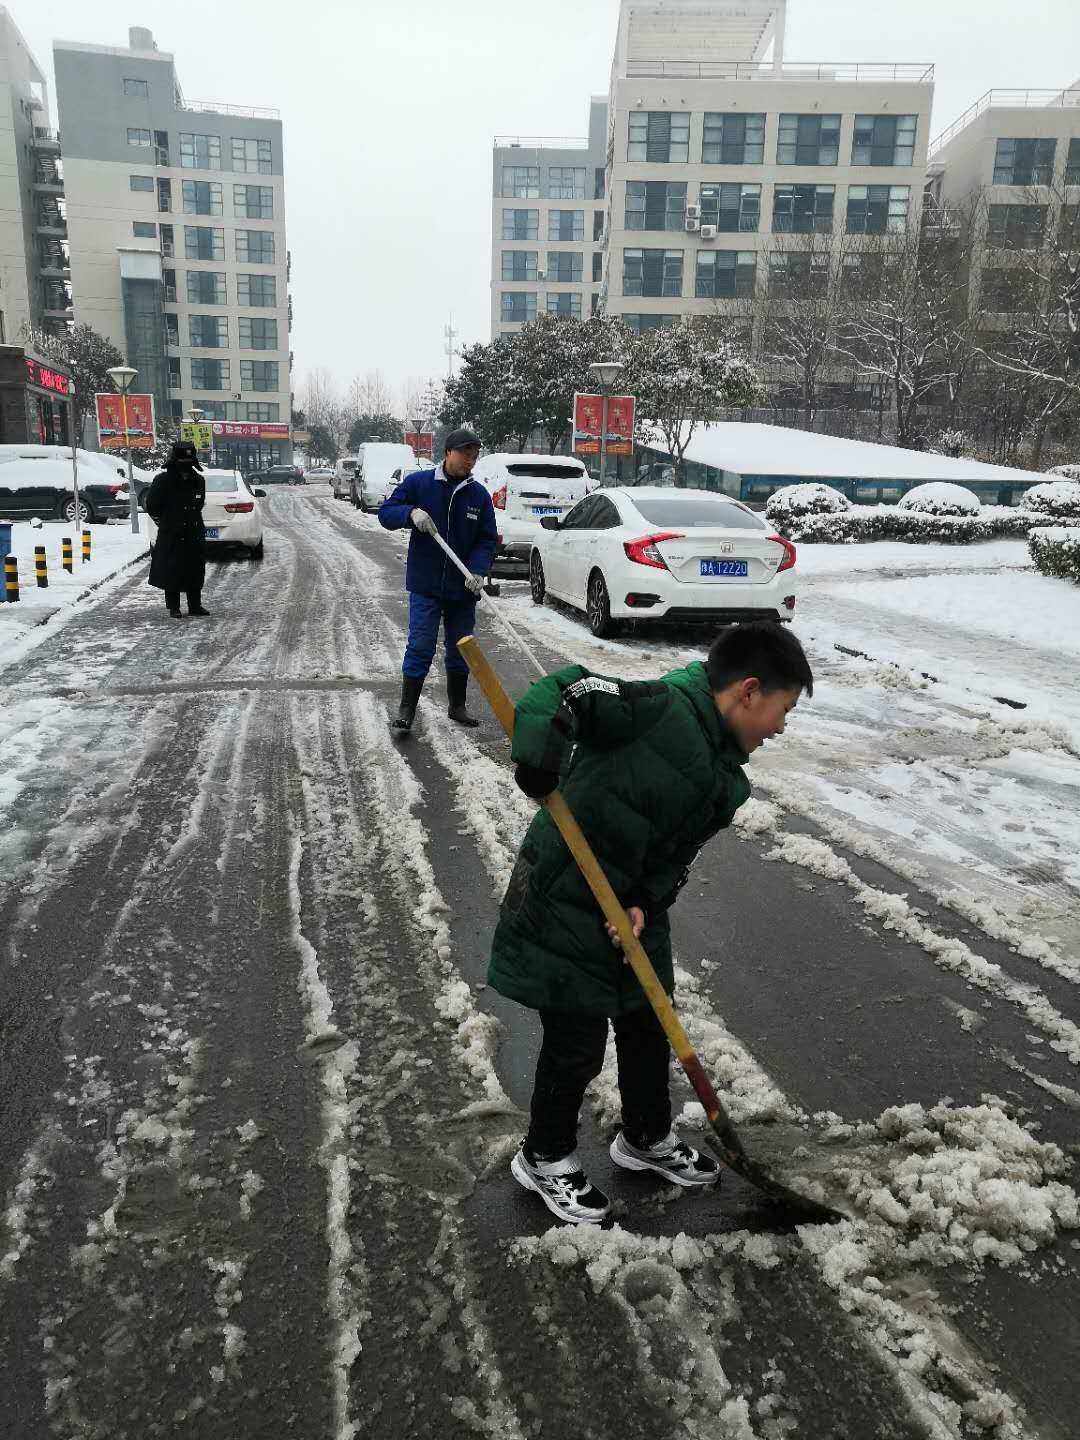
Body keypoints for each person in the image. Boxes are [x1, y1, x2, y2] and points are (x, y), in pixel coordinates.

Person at [489, 621, 815, 1225]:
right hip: (569, 895)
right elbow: (564, 693)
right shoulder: (655, 708)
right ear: (747, 690)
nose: (780, 727)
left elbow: (674, 855)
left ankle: (644, 1138)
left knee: (647, 1022)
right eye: (782, 709)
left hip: (631, 909)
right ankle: (544, 1156)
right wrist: (538, 759)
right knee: (575, 1042)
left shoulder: (724, 777)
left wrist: (644, 902)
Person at [378, 429, 498, 730]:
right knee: (420, 645)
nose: (470, 461)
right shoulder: (420, 484)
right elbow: (386, 513)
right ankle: (407, 709)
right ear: (448, 452)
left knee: (461, 647)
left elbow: (486, 540)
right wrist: (411, 513)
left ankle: (457, 706)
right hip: (427, 584)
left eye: (474, 456)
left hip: (463, 586)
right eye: (464, 455)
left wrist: (478, 570)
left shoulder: (478, 495)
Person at [145, 441, 209, 619]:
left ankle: (195, 605)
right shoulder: (163, 480)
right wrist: (166, 522)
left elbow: (199, 503)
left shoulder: (198, 480)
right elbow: (152, 506)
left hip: (194, 532)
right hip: (172, 533)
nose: (186, 467)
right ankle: (174, 607)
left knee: (195, 569)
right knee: (172, 570)